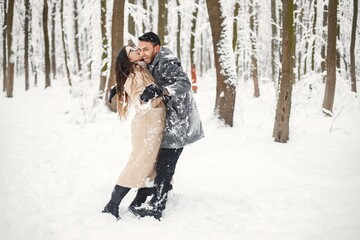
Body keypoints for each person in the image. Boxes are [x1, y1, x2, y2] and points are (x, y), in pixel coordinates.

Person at [129, 32, 205, 220]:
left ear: (157, 48)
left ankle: (157, 207)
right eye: (140, 49)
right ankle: (161, 191)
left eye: (146, 49)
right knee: (160, 160)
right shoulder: (152, 61)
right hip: (169, 118)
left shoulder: (166, 62)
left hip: (179, 120)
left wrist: (162, 90)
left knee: (165, 164)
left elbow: (185, 84)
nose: (142, 53)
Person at [102, 45, 166, 220]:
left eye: (137, 48)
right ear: (127, 59)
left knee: (151, 165)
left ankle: (139, 203)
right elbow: (139, 102)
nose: (138, 50)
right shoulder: (134, 75)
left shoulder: (140, 69)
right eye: (133, 51)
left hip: (154, 123)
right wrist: (145, 97)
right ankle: (112, 204)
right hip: (147, 126)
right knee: (138, 164)